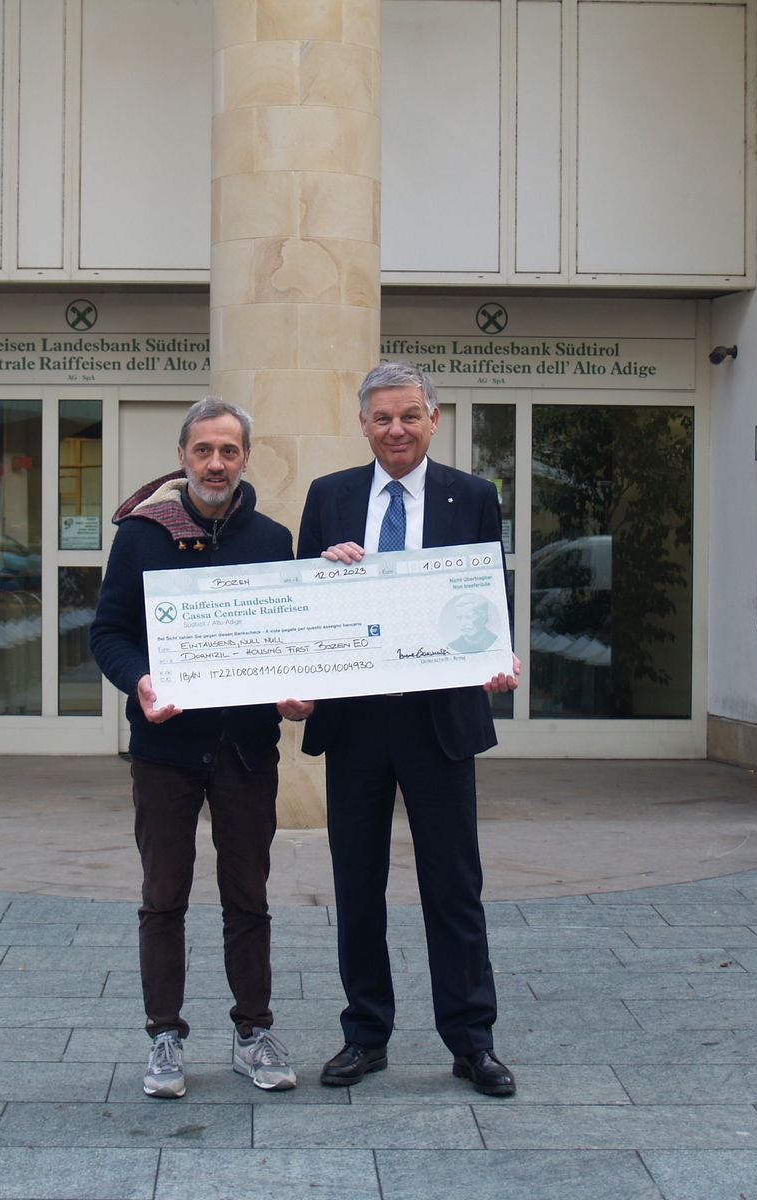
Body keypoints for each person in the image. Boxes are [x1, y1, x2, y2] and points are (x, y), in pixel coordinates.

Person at [281, 361, 519, 1096]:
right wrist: (325, 570)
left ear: (433, 419)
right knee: (357, 886)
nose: (396, 429)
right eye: (382, 417)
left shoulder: (472, 496)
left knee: (454, 886)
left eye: (410, 415)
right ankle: (365, 1034)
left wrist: (498, 655)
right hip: (356, 722)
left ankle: (472, 1042)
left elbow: (489, 593)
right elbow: (303, 601)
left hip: (438, 719)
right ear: (363, 423)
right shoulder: (330, 496)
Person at [90, 397, 297, 1099]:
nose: (215, 463)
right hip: (165, 748)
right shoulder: (142, 536)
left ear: (246, 459)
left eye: (228, 451)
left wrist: (296, 691)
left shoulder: (272, 540)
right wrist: (141, 680)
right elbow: (108, 633)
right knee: (163, 898)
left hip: (246, 748)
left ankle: (253, 1031)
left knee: (248, 896)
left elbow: (286, 639)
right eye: (203, 450)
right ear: (182, 456)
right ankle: (164, 1036)